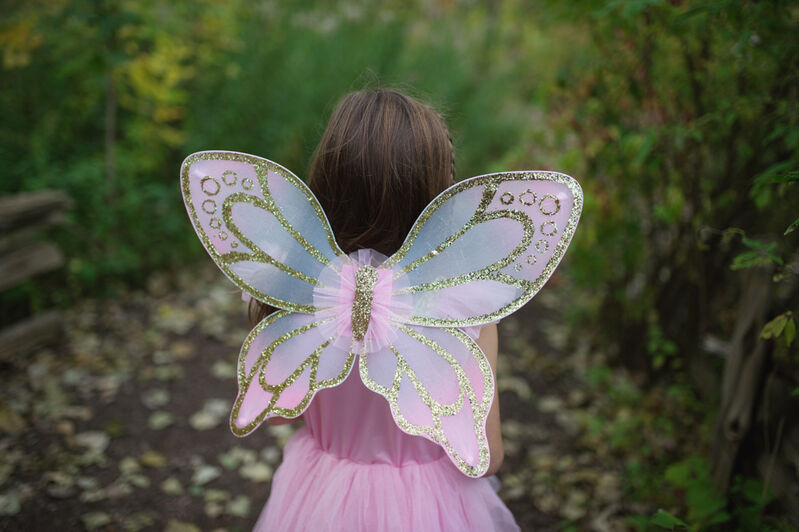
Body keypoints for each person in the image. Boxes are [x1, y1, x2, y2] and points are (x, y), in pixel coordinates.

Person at [248, 89, 520, 531]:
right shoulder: (465, 303)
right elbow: (485, 456)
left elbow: (283, 411)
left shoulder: (296, 285)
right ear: (434, 190)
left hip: (320, 497)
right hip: (430, 507)